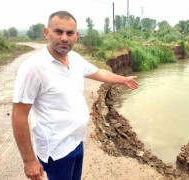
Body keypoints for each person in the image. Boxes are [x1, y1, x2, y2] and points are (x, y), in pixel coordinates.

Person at [12, 10, 138, 180]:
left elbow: (99, 72)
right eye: (58, 31)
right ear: (46, 32)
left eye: (69, 33)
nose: (64, 38)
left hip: (76, 142)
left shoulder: (74, 58)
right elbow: (19, 115)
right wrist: (29, 161)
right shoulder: (33, 68)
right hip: (57, 152)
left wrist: (123, 79)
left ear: (76, 36)